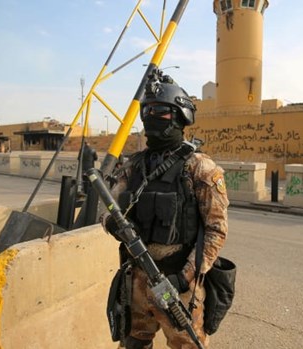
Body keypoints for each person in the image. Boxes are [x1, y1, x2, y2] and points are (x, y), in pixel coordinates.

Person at [102, 70, 229, 349]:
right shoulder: (134, 166)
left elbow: (216, 230)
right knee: (134, 342)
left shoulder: (199, 168)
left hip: (179, 282)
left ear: (181, 116)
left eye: (160, 112)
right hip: (136, 277)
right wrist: (112, 223)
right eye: (147, 112)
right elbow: (110, 208)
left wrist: (185, 277)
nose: (152, 118)